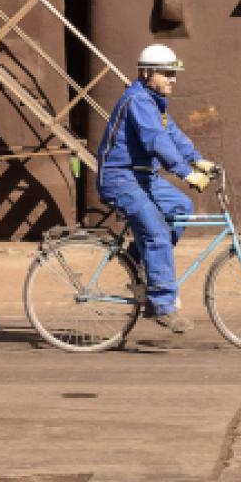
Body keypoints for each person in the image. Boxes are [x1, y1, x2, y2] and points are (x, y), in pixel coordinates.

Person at [96, 43, 215, 332]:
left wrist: (199, 161)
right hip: (120, 178)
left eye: (174, 74)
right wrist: (186, 173)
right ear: (146, 72)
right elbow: (155, 141)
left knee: (181, 207)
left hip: (141, 177)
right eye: (166, 74)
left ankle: (137, 263)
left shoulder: (153, 101)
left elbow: (172, 134)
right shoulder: (137, 100)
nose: (172, 79)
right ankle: (162, 304)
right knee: (158, 232)